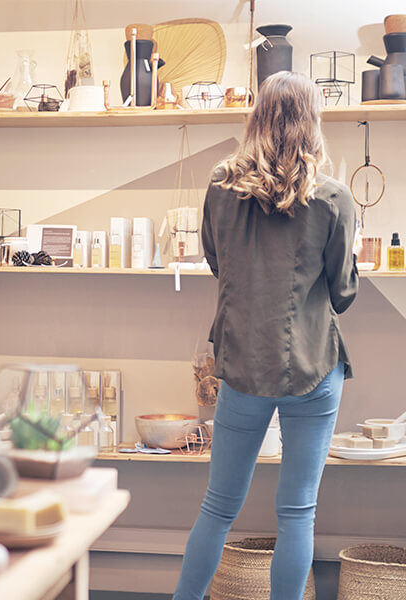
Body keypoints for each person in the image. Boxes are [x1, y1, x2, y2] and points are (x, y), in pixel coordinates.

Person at [172, 71, 359, 600]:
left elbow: (216, 261)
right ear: (313, 122)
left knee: (218, 505)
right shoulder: (333, 197)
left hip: (240, 364)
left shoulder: (220, 186)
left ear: (256, 118)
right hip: (312, 366)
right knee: (297, 509)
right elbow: (343, 292)